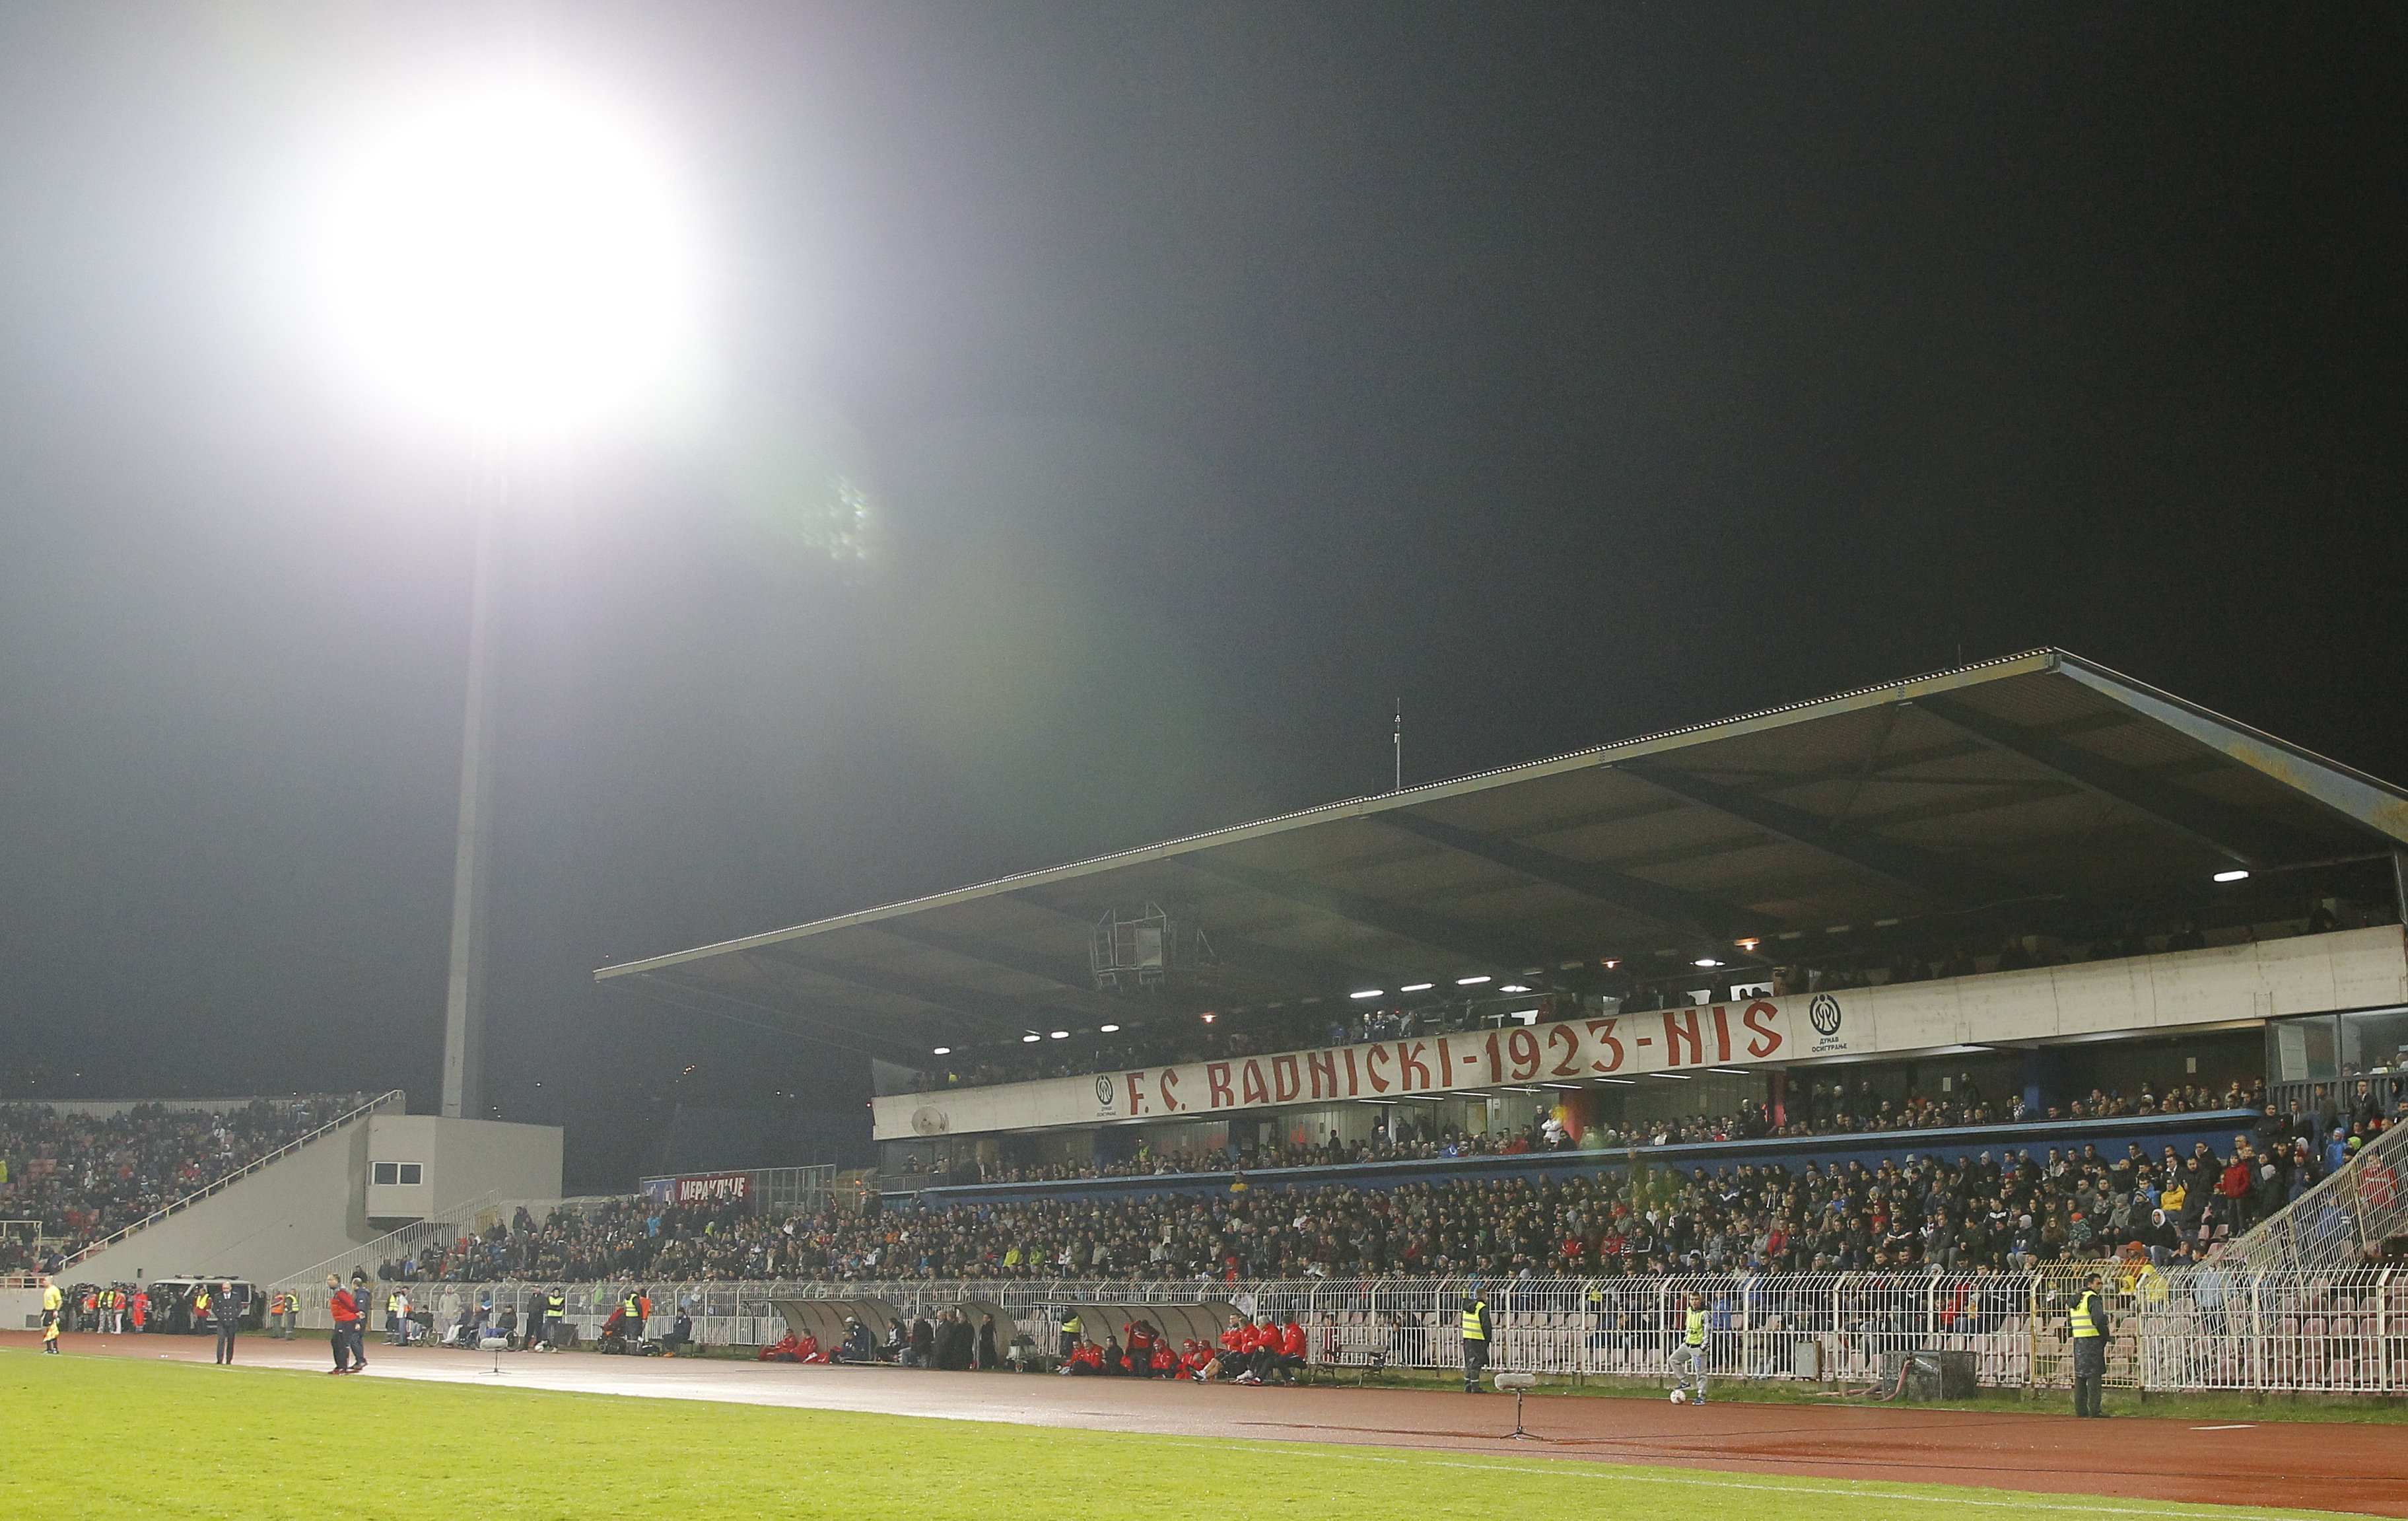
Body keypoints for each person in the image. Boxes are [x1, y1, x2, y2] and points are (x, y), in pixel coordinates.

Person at [2069, 1271, 2111, 1418]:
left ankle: (2080, 1410)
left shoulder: (2076, 1299)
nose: (2101, 1286)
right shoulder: (2093, 1299)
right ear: (2090, 1284)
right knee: (2094, 1376)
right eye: (2098, 1283)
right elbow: (2098, 1319)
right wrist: (2105, 1335)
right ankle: (2095, 1410)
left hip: (2079, 1340)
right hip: (2092, 1340)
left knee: (2080, 1376)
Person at [1669, 1291, 1708, 1405]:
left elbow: (1707, 1331)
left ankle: (1702, 1395)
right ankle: (1685, 1382)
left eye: (1696, 1299)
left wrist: (1703, 1347)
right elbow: (1688, 1326)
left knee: (1700, 1372)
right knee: (1673, 1359)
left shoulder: (1705, 1314)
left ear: (1700, 1300)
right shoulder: (1689, 1311)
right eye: (1692, 1299)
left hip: (1698, 1348)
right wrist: (1685, 1340)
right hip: (1687, 1345)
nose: (1694, 1302)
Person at [327, 1274, 362, 1374]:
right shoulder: (337, 1292)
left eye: (331, 1280)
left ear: (337, 1281)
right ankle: (340, 1366)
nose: (328, 1282)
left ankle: (342, 1367)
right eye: (328, 1280)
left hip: (346, 1320)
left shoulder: (341, 1292)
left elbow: (350, 1304)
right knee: (336, 1342)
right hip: (341, 1320)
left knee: (341, 1343)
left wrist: (357, 1313)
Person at [1461, 1292, 1492, 1393]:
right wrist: (1487, 1339)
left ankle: (1467, 1385)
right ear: (1483, 1296)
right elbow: (1486, 1325)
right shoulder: (1482, 1307)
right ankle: (1475, 1386)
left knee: (1469, 1362)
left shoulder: (1466, 1306)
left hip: (1467, 1336)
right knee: (1476, 1363)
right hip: (1478, 1337)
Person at [211, 1282, 242, 1366]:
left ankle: (229, 1360)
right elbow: (215, 1308)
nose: (225, 1290)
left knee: (231, 1342)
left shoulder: (236, 1296)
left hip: (232, 1322)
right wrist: (220, 1316)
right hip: (222, 1322)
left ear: (231, 1288)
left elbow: (239, 1308)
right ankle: (219, 1359)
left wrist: (235, 1316)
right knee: (221, 1341)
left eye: (227, 1288)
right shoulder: (218, 1296)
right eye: (224, 1288)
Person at [40, 1275, 63, 1355]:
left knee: (52, 1330)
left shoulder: (55, 1290)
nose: (43, 1282)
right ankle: (49, 1348)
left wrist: (56, 1310)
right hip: (47, 1311)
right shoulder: (47, 1290)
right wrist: (43, 1312)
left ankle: (55, 1348)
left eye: (45, 1280)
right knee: (45, 1330)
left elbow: (59, 1301)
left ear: (50, 1282)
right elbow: (47, 1303)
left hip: (52, 1311)